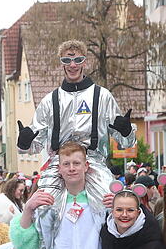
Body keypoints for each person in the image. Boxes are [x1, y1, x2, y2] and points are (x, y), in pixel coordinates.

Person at [16, 39, 136, 214]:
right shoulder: (50, 101)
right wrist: (25, 142)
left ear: (84, 62)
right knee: (44, 210)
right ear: (61, 63)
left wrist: (125, 131)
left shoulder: (102, 97)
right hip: (59, 164)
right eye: (67, 61)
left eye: (77, 60)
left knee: (108, 207)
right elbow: (35, 145)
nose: (72, 65)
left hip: (93, 162)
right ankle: (48, 242)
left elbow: (126, 143)